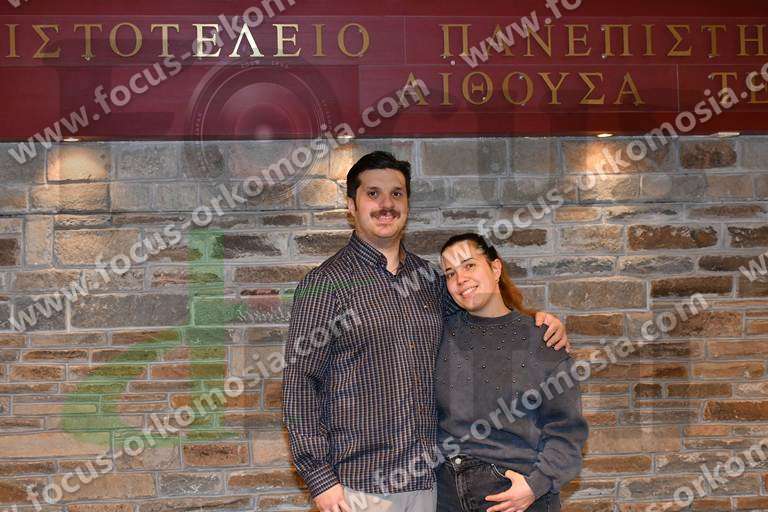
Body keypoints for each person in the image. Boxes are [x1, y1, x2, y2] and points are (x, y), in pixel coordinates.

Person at [282, 151, 570, 512]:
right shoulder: (325, 284)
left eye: (396, 194)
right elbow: (300, 382)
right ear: (351, 206)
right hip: (359, 485)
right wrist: (321, 480)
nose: (386, 204)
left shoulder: (431, 281)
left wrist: (535, 322)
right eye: (373, 194)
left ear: (407, 203)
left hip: (429, 482)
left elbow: (482, 316)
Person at [436, 233, 588, 512]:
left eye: (469, 265)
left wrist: (535, 485)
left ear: (495, 268)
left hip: (516, 495)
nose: (460, 279)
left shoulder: (542, 339)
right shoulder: (437, 332)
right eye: (450, 273)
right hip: (446, 495)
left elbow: (567, 432)